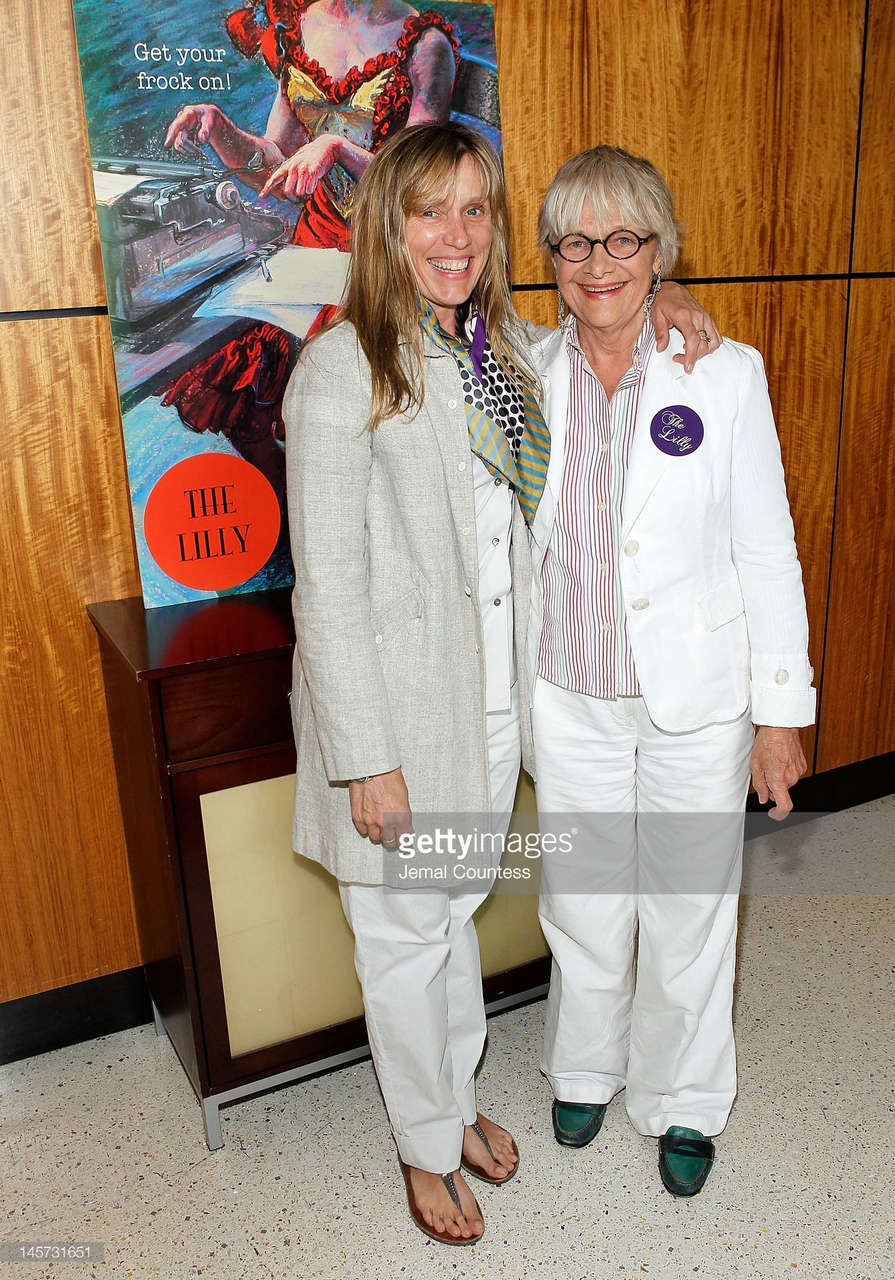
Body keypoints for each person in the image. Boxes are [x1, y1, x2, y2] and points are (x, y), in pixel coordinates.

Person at [284, 122, 719, 1245]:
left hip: (486, 708)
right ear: (387, 222)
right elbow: (325, 588)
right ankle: (424, 1146)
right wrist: (363, 758)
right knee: (400, 933)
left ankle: (454, 1098)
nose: (455, 234)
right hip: (392, 718)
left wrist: (666, 302)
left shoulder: (500, 354)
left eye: (475, 210)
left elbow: (599, 326)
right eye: (430, 210)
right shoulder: (343, 369)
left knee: (450, 918)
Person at [527, 146, 816, 1196]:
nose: (597, 261)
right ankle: (586, 1065)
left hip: (696, 703)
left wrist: (780, 713)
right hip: (569, 693)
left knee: (689, 907)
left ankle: (686, 1098)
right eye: (574, 239)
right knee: (585, 899)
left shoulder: (723, 373)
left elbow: (765, 547)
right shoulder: (525, 372)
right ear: (550, 255)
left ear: (661, 250)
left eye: (624, 238)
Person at [160, 0, 457, 488]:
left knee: (342, 393)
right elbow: (274, 166)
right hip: (314, 241)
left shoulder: (425, 43)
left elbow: (419, 184)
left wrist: (336, 148)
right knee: (228, 362)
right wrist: (220, 129)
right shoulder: (300, 28)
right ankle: (294, 516)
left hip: (392, 250)